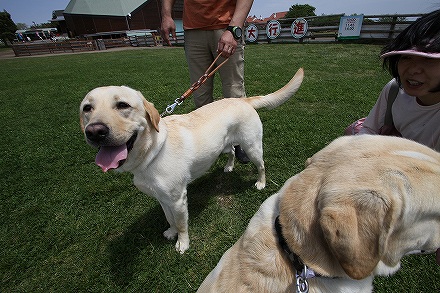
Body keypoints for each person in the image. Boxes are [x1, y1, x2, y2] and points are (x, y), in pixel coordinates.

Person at [161, 0, 254, 162]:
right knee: (200, 94)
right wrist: (166, 15)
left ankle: (239, 141)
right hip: (193, 29)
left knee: (233, 90)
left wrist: (234, 28)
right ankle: (210, 141)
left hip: (226, 25)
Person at [345, 9, 440, 152]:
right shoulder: (395, 89)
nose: (413, 69)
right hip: (393, 158)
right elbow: (369, 129)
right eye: (406, 57)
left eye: (428, 59)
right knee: (351, 133)